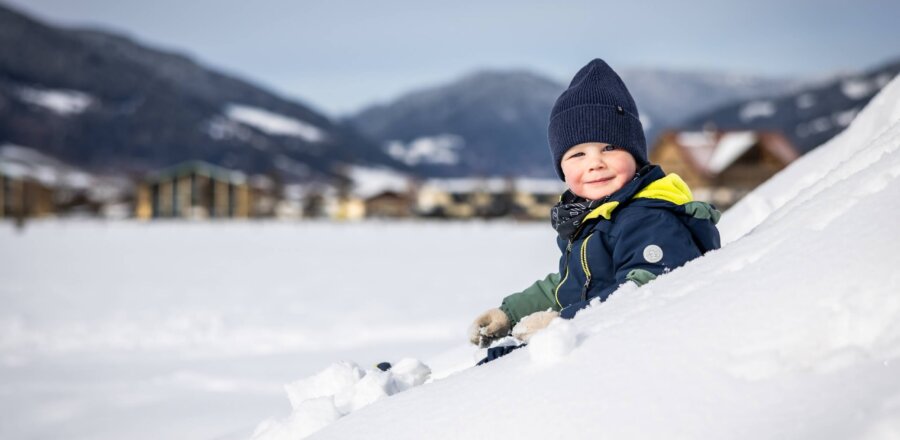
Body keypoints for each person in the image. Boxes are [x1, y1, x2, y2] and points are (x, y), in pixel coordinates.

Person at [468, 59, 721, 358]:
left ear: (636, 155)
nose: (595, 162)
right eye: (577, 154)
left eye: (609, 148)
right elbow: (566, 285)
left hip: (629, 353)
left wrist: (563, 322)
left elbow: (645, 289)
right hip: (587, 340)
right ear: (561, 168)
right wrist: (509, 314)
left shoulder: (647, 218)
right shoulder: (593, 218)